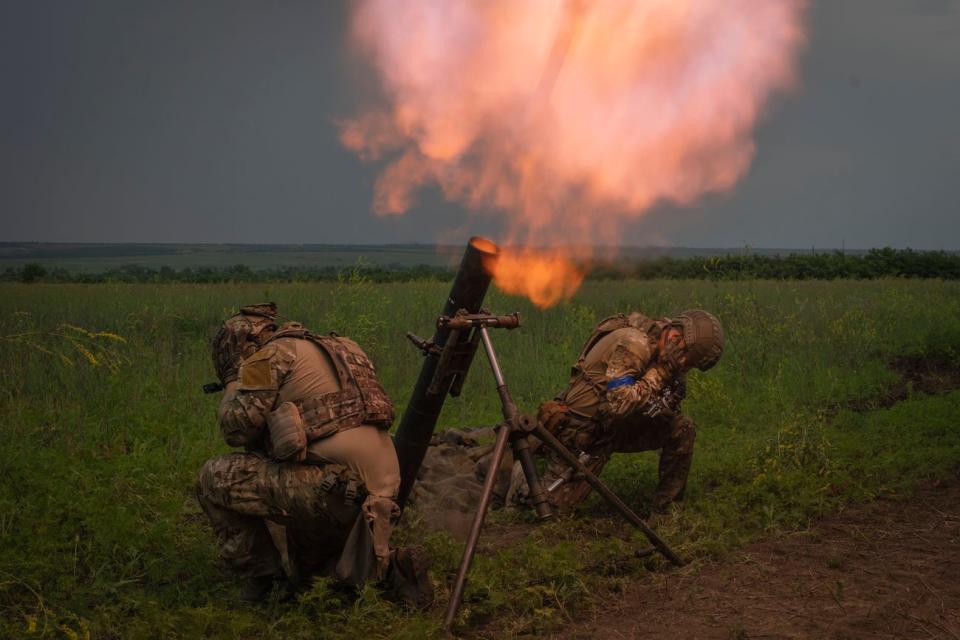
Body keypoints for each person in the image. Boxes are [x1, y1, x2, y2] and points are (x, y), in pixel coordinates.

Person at [195, 303, 430, 605]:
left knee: (214, 477)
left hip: (333, 490)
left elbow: (235, 430)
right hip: (381, 495)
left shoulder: (267, 356)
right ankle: (391, 572)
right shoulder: (344, 347)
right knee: (313, 577)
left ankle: (264, 583)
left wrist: (232, 381)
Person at [534, 309, 723, 516]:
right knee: (550, 508)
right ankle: (519, 463)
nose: (685, 368)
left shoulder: (665, 347)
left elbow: (656, 403)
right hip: (584, 431)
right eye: (687, 360)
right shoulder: (635, 344)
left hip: (616, 426)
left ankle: (666, 513)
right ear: (676, 338)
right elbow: (619, 403)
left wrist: (667, 398)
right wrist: (660, 373)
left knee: (681, 427)